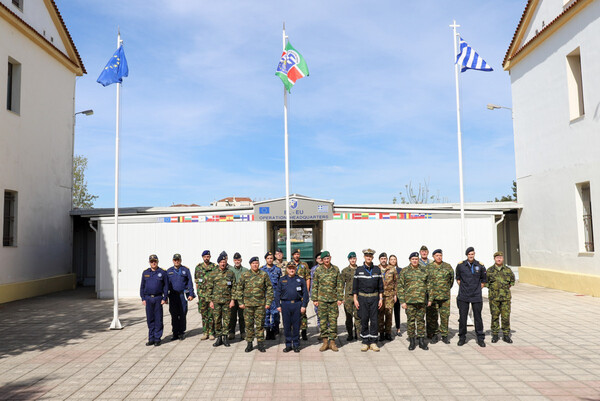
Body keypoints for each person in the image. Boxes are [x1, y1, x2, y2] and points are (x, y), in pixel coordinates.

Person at [235, 256, 274, 352]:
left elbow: (269, 288)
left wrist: (268, 302)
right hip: (248, 305)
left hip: (260, 305)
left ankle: (260, 343)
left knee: (260, 325)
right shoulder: (245, 275)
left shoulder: (264, 274)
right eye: (253, 263)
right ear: (250, 264)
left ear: (259, 264)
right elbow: (239, 289)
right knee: (248, 325)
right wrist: (240, 302)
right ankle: (249, 343)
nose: (255, 265)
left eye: (256, 263)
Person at [398, 252, 431, 351]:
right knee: (411, 322)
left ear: (418, 259)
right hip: (410, 302)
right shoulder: (404, 271)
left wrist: (430, 299)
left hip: (421, 301)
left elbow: (429, 286)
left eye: (416, 259)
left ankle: (421, 341)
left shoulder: (424, 271)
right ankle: (412, 341)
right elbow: (400, 287)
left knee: (421, 321)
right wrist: (402, 301)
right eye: (413, 259)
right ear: (410, 260)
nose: (415, 261)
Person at [312, 251, 343, 352]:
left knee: (333, 321)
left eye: (328, 258)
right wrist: (315, 299)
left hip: (333, 300)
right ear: (322, 260)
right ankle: (325, 342)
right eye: (324, 259)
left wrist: (340, 298)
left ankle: (333, 342)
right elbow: (315, 285)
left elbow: (339, 284)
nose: (326, 260)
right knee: (323, 321)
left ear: (330, 258)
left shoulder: (335, 269)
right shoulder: (318, 270)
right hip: (322, 301)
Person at [455, 247, 487, 347]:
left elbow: (483, 281)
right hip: (464, 295)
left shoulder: (480, 265)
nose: (471, 256)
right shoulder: (460, 265)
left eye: (472, 254)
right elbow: (458, 279)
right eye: (469, 254)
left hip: (476, 295)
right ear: (467, 255)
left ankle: (480, 338)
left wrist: (476, 289)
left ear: (474, 254)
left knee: (478, 317)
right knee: (463, 317)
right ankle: (462, 337)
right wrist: (466, 288)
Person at [353, 248, 383, 352]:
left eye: (370, 256)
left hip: (374, 298)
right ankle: (365, 341)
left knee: (374, 320)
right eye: (367, 256)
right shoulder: (359, 270)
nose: (368, 257)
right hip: (362, 298)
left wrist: (381, 299)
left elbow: (380, 286)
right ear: (364, 257)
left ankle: (374, 342)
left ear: (373, 257)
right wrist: (355, 300)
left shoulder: (377, 270)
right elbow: (355, 287)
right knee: (364, 319)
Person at [276, 262, 309, 352]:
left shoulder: (300, 280)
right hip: (285, 305)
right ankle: (288, 345)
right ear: (287, 269)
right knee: (286, 326)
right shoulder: (282, 280)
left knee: (296, 326)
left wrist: (304, 305)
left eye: (293, 268)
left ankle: (296, 344)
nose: (291, 270)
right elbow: (277, 293)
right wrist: (278, 305)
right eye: (290, 268)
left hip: (297, 304)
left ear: (296, 269)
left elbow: (305, 294)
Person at [425, 249, 454, 344]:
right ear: (433, 256)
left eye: (440, 255)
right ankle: (434, 334)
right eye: (437, 255)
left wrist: (445, 289)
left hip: (445, 297)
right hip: (433, 297)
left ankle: (445, 335)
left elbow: (451, 280)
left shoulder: (447, 266)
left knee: (445, 316)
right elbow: (426, 281)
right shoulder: (428, 267)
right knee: (432, 316)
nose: (439, 257)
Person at [486, 251, 515, 344]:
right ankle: (495, 335)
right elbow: (486, 283)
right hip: (494, 298)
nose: (499, 259)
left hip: (505, 298)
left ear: (503, 259)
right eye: (497, 257)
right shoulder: (489, 270)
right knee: (494, 316)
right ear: (494, 259)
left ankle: (506, 335)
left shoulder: (508, 270)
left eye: (500, 257)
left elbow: (511, 282)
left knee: (505, 317)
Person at [140, 254, 168, 346]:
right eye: (151, 261)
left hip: (158, 298)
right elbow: (142, 287)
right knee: (150, 319)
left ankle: (157, 338)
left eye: (155, 261)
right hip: (148, 298)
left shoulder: (162, 272)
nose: (153, 263)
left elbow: (166, 286)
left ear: (157, 262)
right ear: (149, 262)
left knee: (158, 319)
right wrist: (143, 298)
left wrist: (164, 298)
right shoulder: (145, 273)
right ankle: (151, 338)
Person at [208, 254, 236, 347]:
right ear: (218, 263)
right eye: (221, 262)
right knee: (217, 320)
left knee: (227, 320)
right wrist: (210, 301)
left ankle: (225, 337)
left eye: (224, 262)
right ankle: (219, 337)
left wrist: (233, 300)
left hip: (227, 302)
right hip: (216, 301)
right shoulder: (213, 273)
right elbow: (209, 288)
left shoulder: (230, 273)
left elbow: (234, 288)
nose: (223, 264)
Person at [166, 253, 195, 341]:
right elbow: (166, 285)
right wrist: (165, 297)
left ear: (180, 260)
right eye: (175, 260)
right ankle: (175, 333)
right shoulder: (169, 271)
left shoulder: (185, 270)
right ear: (173, 261)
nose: (177, 261)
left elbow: (190, 282)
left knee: (182, 314)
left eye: (178, 259)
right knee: (174, 314)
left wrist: (191, 294)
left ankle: (182, 332)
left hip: (182, 295)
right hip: (173, 296)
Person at [195, 250, 217, 340]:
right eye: (205, 256)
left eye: (208, 256)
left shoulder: (214, 267)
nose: (206, 258)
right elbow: (196, 282)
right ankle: (205, 332)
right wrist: (198, 295)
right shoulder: (198, 268)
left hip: (211, 296)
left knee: (211, 315)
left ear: (210, 257)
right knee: (204, 315)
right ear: (202, 257)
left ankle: (211, 332)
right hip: (202, 296)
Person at [290, 248, 311, 340]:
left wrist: (306, 291)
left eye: (298, 254)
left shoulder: (304, 265)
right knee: (293, 313)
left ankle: (304, 331)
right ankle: (295, 332)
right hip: (293, 293)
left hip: (302, 293)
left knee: (303, 313)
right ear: (292, 255)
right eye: (295, 254)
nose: (297, 256)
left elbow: (308, 278)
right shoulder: (290, 265)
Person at [228, 252, 248, 340]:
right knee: (231, 316)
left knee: (242, 316)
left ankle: (243, 332)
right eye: (235, 260)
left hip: (242, 297)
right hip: (232, 297)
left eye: (238, 260)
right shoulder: (230, 270)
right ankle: (231, 332)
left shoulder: (245, 271)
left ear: (241, 260)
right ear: (233, 260)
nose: (237, 261)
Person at [341, 251, 360, 341]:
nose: (353, 260)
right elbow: (341, 284)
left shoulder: (360, 269)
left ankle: (358, 334)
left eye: (354, 258)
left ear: (356, 259)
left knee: (358, 316)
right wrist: (341, 297)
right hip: (348, 297)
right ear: (349, 260)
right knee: (348, 317)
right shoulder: (345, 271)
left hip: (359, 296)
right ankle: (350, 334)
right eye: (351, 259)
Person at [261, 251, 282, 339]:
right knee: (266, 313)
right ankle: (267, 330)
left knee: (275, 313)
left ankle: (274, 329)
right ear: (265, 259)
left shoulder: (277, 269)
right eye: (268, 258)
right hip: (265, 295)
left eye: (271, 258)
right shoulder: (262, 270)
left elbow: (280, 283)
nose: (269, 260)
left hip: (275, 295)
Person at [378, 252, 397, 341]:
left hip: (390, 295)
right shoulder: (376, 269)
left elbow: (396, 282)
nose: (383, 260)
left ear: (387, 259)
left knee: (389, 315)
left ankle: (388, 333)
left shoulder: (392, 269)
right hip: (380, 296)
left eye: (385, 258)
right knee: (380, 315)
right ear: (379, 260)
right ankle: (381, 333)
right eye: (382, 259)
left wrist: (395, 294)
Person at [390, 255, 403, 337]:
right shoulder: (387, 269)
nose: (393, 260)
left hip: (397, 294)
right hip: (389, 294)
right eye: (391, 259)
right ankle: (388, 329)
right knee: (389, 313)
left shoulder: (400, 270)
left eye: (394, 259)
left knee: (397, 312)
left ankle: (398, 329)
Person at [310, 252, 323, 332]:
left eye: (322, 258)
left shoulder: (330, 268)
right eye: (319, 258)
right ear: (316, 260)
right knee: (318, 313)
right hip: (318, 296)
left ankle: (328, 331)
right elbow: (312, 284)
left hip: (328, 296)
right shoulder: (313, 269)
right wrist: (313, 297)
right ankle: (321, 330)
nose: (320, 259)